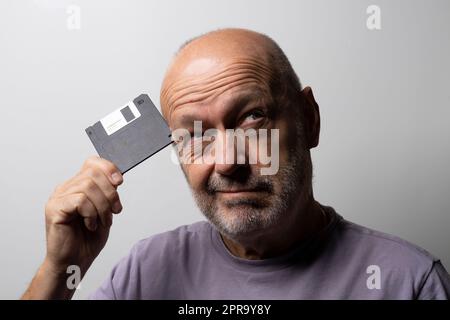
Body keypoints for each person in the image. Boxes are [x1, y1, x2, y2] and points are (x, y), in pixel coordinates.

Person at [22, 28, 450, 299]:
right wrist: (60, 271)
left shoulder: (408, 282)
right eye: (193, 135)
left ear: (309, 121)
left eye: (251, 117)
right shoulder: (145, 270)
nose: (226, 161)